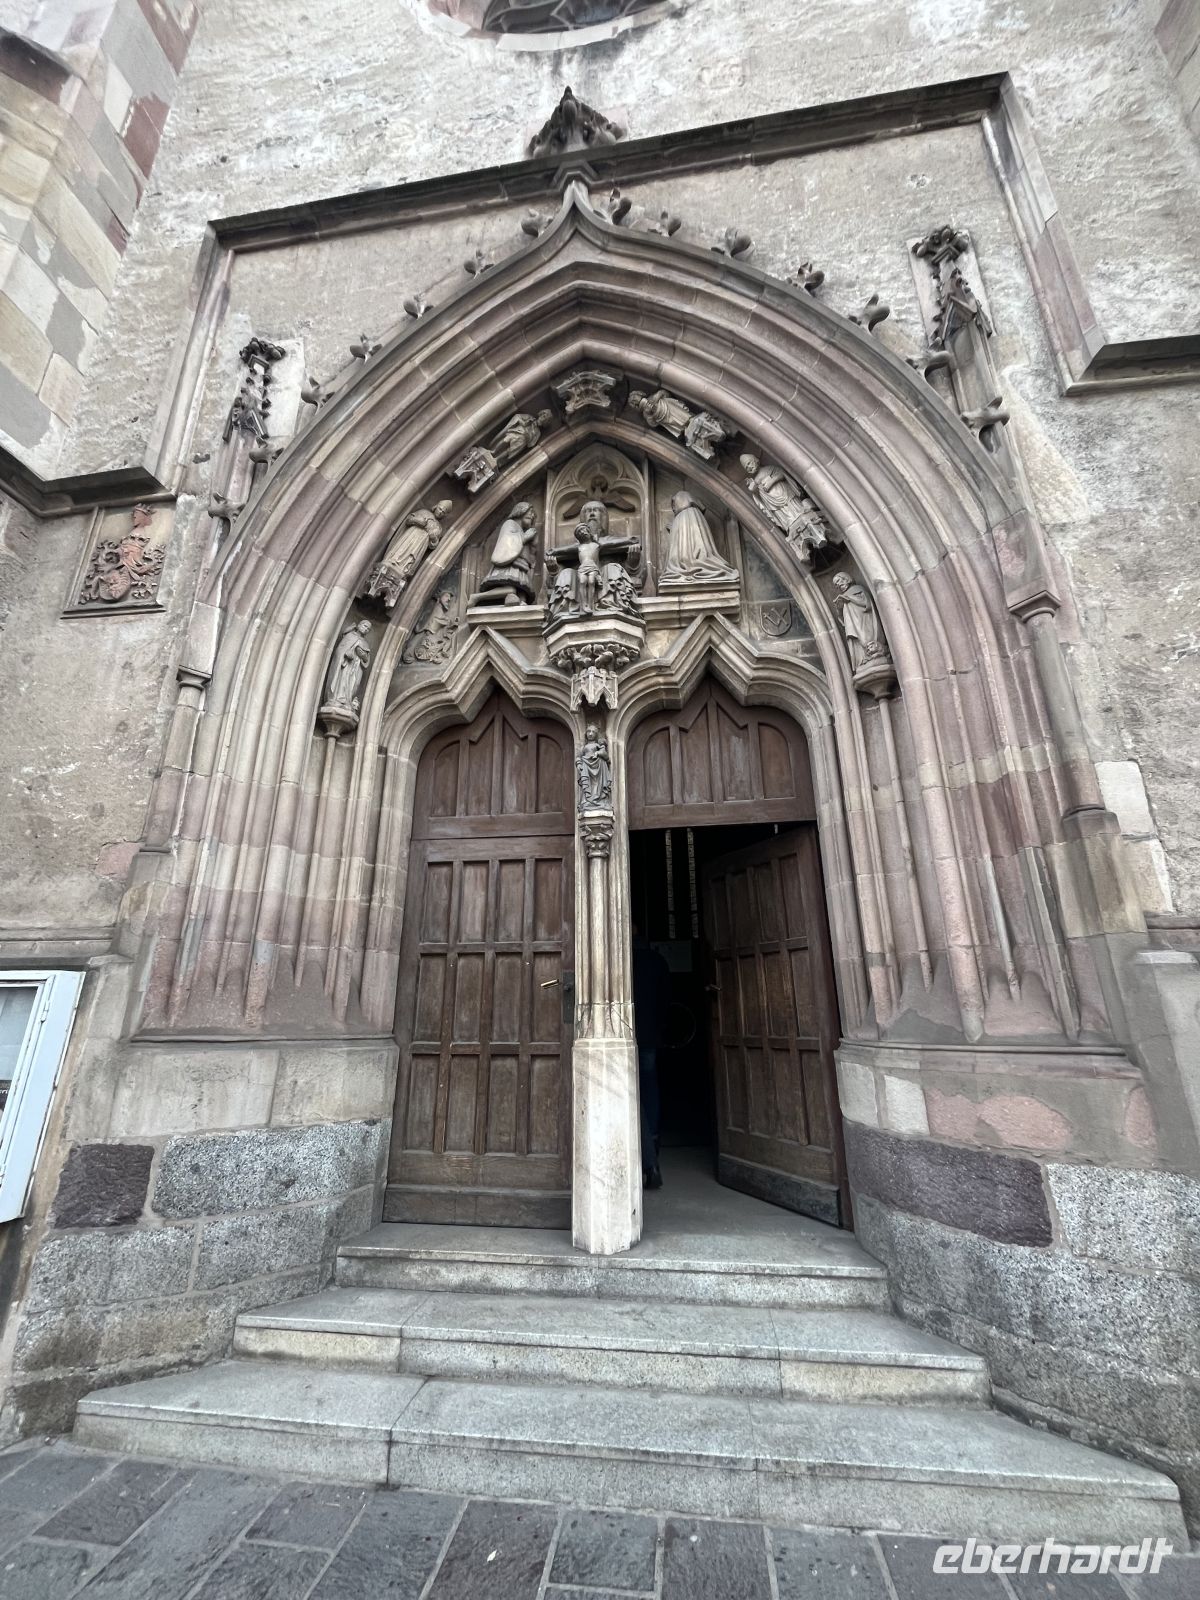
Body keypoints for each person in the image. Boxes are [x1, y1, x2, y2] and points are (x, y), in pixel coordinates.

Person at [631, 921, 670, 1190]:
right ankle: (652, 1140)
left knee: (630, 1091)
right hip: (650, 1034)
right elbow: (666, 999)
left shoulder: (625, 961)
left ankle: (645, 1157)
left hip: (625, 1030)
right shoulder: (656, 961)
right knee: (648, 1086)